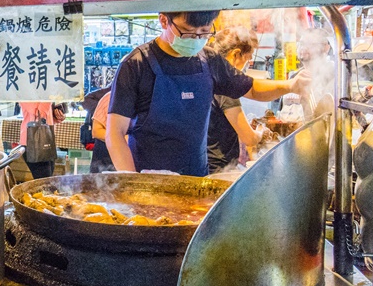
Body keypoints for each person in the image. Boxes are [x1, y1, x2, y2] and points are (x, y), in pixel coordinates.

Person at [105, 10, 309, 176]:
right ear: (164, 20)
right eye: (188, 32)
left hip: (197, 181)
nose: (196, 39)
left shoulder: (209, 60)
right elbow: (114, 133)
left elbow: (252, 88)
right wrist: (132, 184)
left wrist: (291, 85)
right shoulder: (136, 65)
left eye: (203, 33)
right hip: (148, 183)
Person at [205, 28, 265, 172]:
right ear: (236, 54)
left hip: (204, 163)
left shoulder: (208, 76)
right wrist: (261, 131)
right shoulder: (227, 88)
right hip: (217, 169)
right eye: (248, 59)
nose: (246, 67)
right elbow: (249, 138)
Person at [19, 101, 56, 179]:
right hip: (32, 142)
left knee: (47, 181)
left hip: (47, 139)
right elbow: (39, 113)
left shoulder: (43, 93)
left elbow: (44, 119)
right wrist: (49, 95)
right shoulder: (24, 92)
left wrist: (57, 116)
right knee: (44, 182)